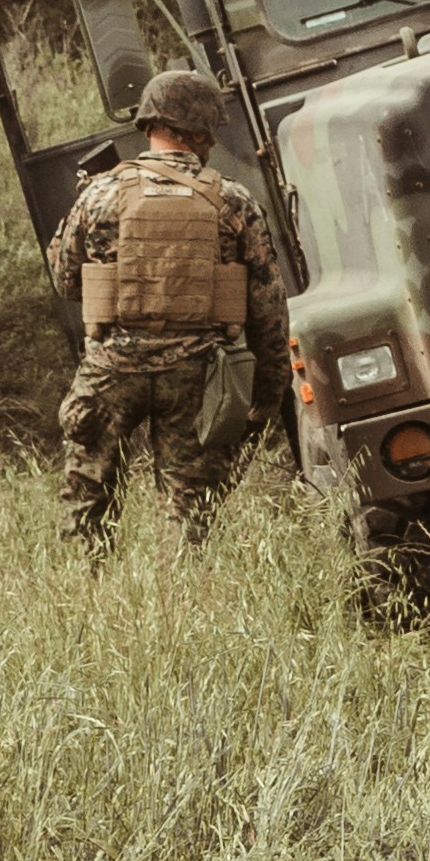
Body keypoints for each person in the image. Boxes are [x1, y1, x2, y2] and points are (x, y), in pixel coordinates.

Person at [50, 62, 272, 547]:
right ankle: (181, 603)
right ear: (201, 134)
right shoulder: (233, 203)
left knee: (86, 497)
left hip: (112, 369)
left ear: (150, 126)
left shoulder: (99, 195)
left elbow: (66, 281)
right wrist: (267, 395)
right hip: (197, 373)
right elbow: (267, 311)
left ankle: (81, 599)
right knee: (188, 511)